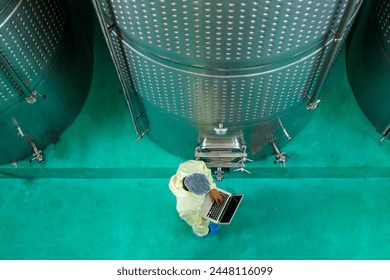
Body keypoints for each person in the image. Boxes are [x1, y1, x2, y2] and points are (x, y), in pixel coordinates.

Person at [169, 160, 223, 238]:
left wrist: (212, 188)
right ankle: (201, 234)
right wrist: (205, 217)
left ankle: (186, 218)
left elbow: (204, 170)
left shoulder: (192, 166)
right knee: (196, 221)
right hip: (189, 212)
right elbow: (197, 222)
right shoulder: (186, 207)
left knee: (188, 215)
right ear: (195, 193)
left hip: (189, 210)